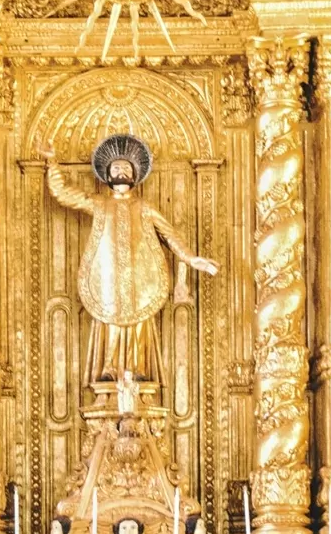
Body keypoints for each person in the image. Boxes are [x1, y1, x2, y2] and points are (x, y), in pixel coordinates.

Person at [43, 134, 218, 387]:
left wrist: (191, 258)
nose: (121, 171)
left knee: (138, 318)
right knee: (111, 316)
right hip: (109, 276)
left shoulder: (144, 207)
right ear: (108, 175)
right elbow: (63, 195)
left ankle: (136, 367)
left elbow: (169, 234)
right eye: (116, 168)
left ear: (134, 175)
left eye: (126, 168)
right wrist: (52, 164)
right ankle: (110, 367)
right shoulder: (99, 203)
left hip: (139, 277)